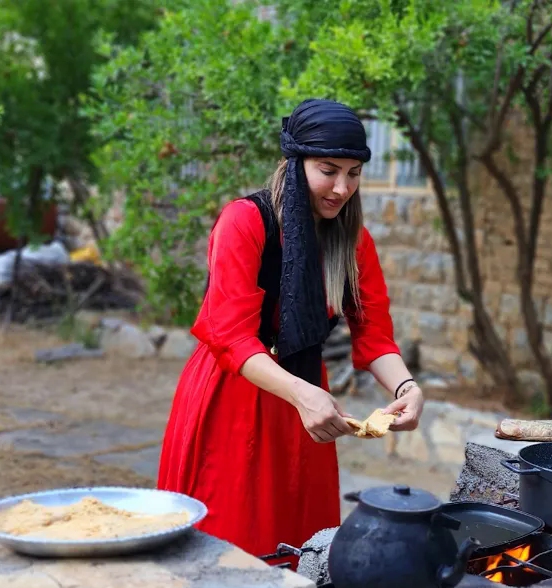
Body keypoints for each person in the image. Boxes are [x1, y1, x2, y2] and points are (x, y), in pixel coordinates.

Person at [159, 99, 424, 556]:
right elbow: (232, 337)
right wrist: (302, 394)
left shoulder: (353, 241)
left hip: (307, 401)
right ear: (294, 163)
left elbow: (373, 334)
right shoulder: (245, 221)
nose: (342, 188)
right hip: (236, 394)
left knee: (302, 546)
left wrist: (406, 387)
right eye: (328, 170)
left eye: (354, 174)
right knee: (232, 544)